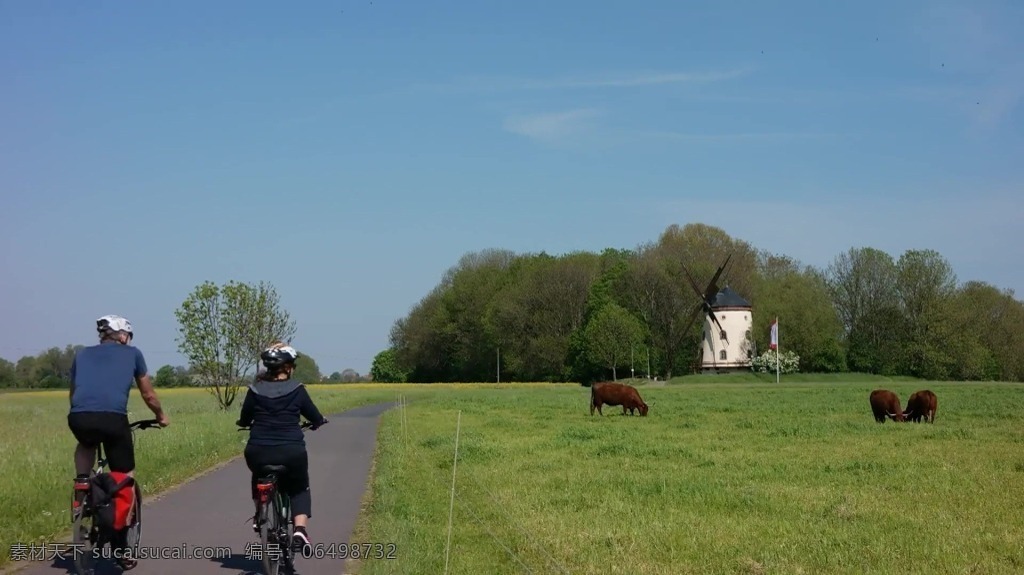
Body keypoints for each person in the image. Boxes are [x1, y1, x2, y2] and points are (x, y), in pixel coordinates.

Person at [68, 315, 169, 570]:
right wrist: (161, 416)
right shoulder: (132, 353)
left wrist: (84, 414)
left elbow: (74, 391)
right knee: (125, 477)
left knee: (85, 444)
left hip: (79, 417)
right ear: (123, 335)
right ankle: (122, 547)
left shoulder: (80, 355)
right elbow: (148, 393)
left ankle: (82, 484)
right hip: (113, 420)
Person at [236, 342, 327, 553]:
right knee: (298, 486)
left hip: (257, 451)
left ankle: (260, 513)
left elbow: (244, 418)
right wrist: (318, 421)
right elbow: (314, 416)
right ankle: (300, 531)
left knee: (259, 474)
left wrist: (244, 423)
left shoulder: (254, 390)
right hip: (291, 451)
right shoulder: (298, 390)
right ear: (287, 367)